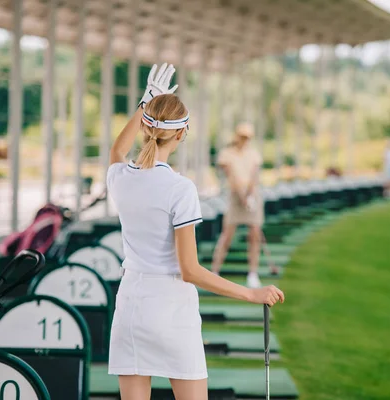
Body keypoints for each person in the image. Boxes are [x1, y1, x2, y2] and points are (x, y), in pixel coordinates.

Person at [106, 63, 285, 400]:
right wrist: (251, 294)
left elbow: (117, 151)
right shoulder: (181, 189)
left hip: (130, 308)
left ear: (146, 127)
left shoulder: (120, 177)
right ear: (181, 133)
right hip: (172, 312)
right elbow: (190, 270)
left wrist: (145, 103)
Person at [211, 122, 266, 288]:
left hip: (252, 195)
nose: (245, 140)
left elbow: (254, 175)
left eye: (248, 137)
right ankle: (214, 272)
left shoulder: (254, 154)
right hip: (235, 195)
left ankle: (253, 274)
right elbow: (231, 175)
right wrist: (241, 195)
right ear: (237, 136)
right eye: (243, 136)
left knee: (255, 233)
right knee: (227, 234)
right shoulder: (227, 153)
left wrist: (248, 194)